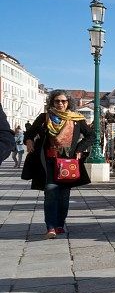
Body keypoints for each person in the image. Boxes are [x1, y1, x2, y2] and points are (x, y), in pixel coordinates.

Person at [21, 90, 94, 238]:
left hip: (68, 162)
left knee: (64, 195)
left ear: (68, 103)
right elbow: (29, 132)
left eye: (63, 101)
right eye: (57, 101)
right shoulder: (44, 117)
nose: (60, 103)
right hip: (48, 161)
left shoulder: (77, 119)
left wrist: (80, 149)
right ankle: (51, 227)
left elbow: (91, 136)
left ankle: (60, 224)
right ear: (52, 102)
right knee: (50, 191)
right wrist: (28, 141)